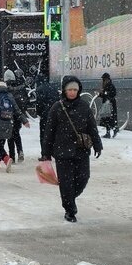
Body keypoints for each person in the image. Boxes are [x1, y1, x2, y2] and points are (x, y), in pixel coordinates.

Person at [41, 76, 102, 223]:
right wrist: (46, 153)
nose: (73, 92)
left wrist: (97, 144)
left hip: (81, 150)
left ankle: (69, 198)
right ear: (64, 90)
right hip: (62, 152)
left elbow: (92, 127)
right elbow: (49, 132)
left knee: (83, 178)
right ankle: (69, 209)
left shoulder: (84, 106)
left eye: (75, 89)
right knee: (66, 182)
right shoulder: (57, 107)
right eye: (70, 89)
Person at [0, 79, 30, 172]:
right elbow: (17, 110)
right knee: (1, 142)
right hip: (7, 122)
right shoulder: (9, 95)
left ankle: (6, 159)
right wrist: (24, 120)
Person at [3, 69, 28, 163]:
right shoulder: (20, 88)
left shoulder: (5, 90)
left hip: (8, 115)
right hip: (19, 114)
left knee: (10, 135)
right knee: (17, 133)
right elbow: (27, 101)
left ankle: (12, 156)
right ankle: (20, 151)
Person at [34, 74, 60, 157]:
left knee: (44, 134)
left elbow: (39, 103)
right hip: (55, 113)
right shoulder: (54, 87)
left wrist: (39, 113)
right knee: (53, 133)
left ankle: (45, 154)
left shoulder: (39, 89)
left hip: (45, 114)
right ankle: (54, 151)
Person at [98, 72, 119, 138]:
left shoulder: (110, 86)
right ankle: (109, 132)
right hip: (106, 104)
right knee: (106, 118)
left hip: (110, 105)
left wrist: (105, 95)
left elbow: (112, 94)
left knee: (109, 118)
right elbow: (105, 95)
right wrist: (100, 95)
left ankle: (114, 129)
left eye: (104, 79)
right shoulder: (106, 86)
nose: (103, 81)